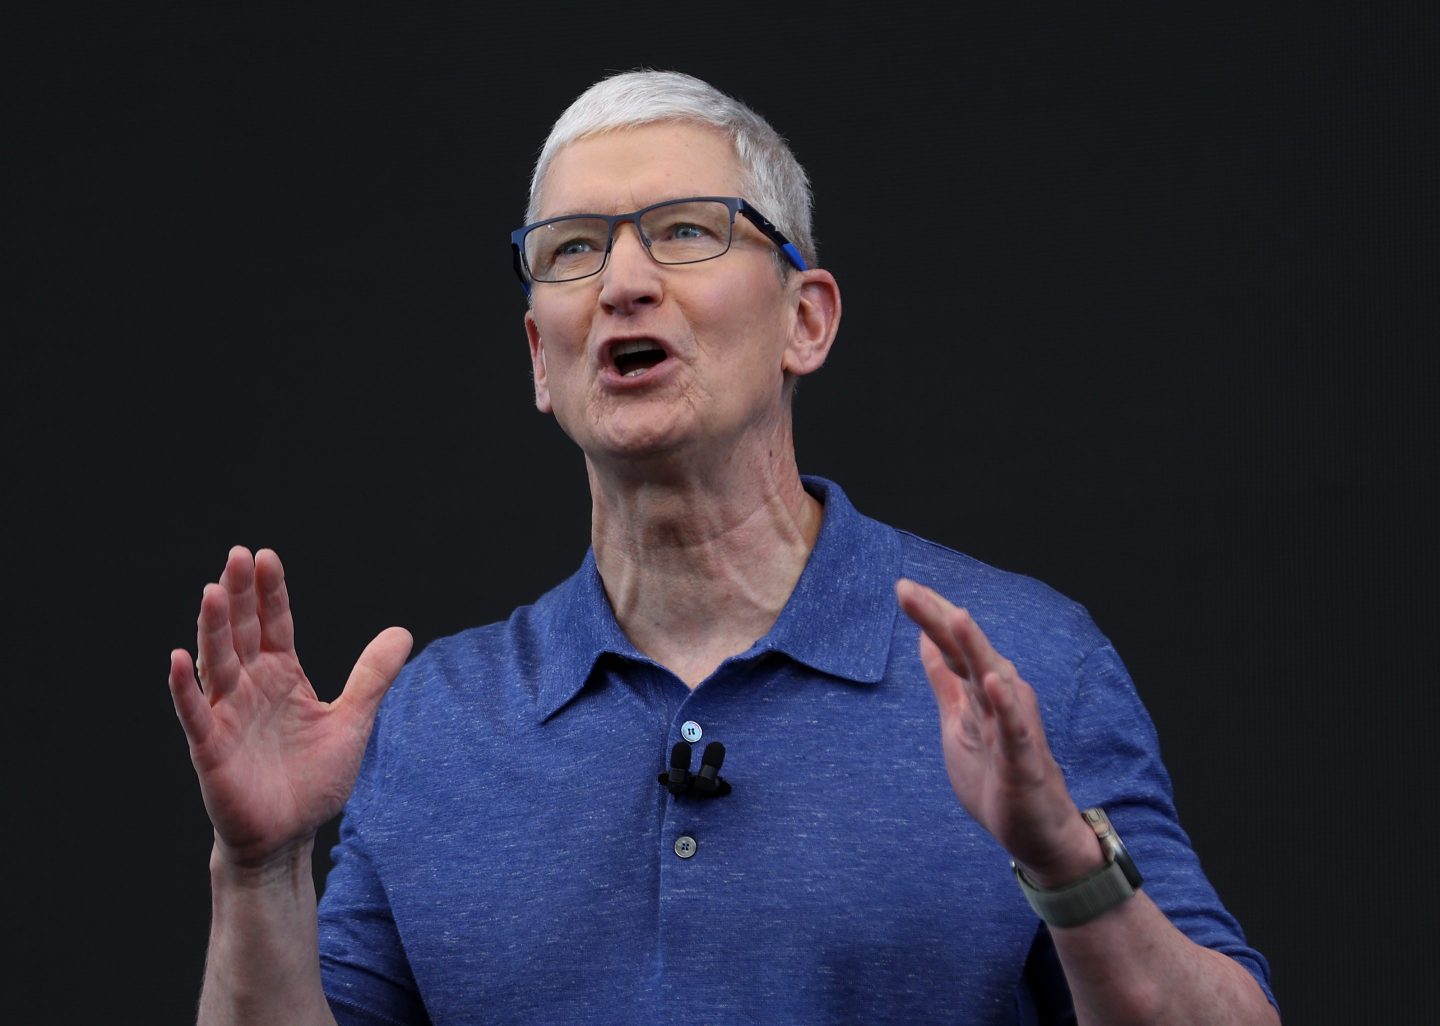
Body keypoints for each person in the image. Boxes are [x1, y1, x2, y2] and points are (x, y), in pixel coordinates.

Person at [168, 70, 1280, 1025]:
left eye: (688, 230)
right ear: (539, 364)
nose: (623, 282)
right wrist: (261, 874)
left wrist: (1064, 862)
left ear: (807, 318)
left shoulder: (1018, 663)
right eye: (571, 250)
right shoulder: (435, 723)